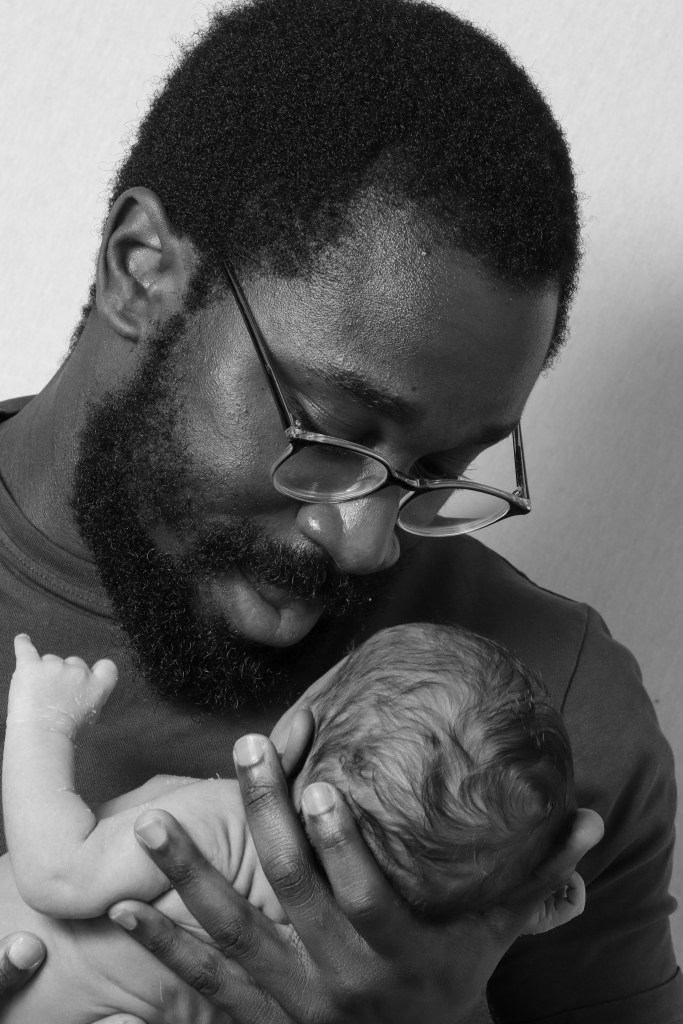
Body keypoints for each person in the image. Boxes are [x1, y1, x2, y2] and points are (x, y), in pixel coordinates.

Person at [0, 0, 678, 1020]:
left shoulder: (547, 736)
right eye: (328, 432)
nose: (365, 543)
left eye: (439, 471)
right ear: (142, 272)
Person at [2, 624, 584, 1022]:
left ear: (294, 732)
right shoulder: (342, 965)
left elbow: (57, 874)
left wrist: (43, 720)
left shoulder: (217, 830)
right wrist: (514, 904)